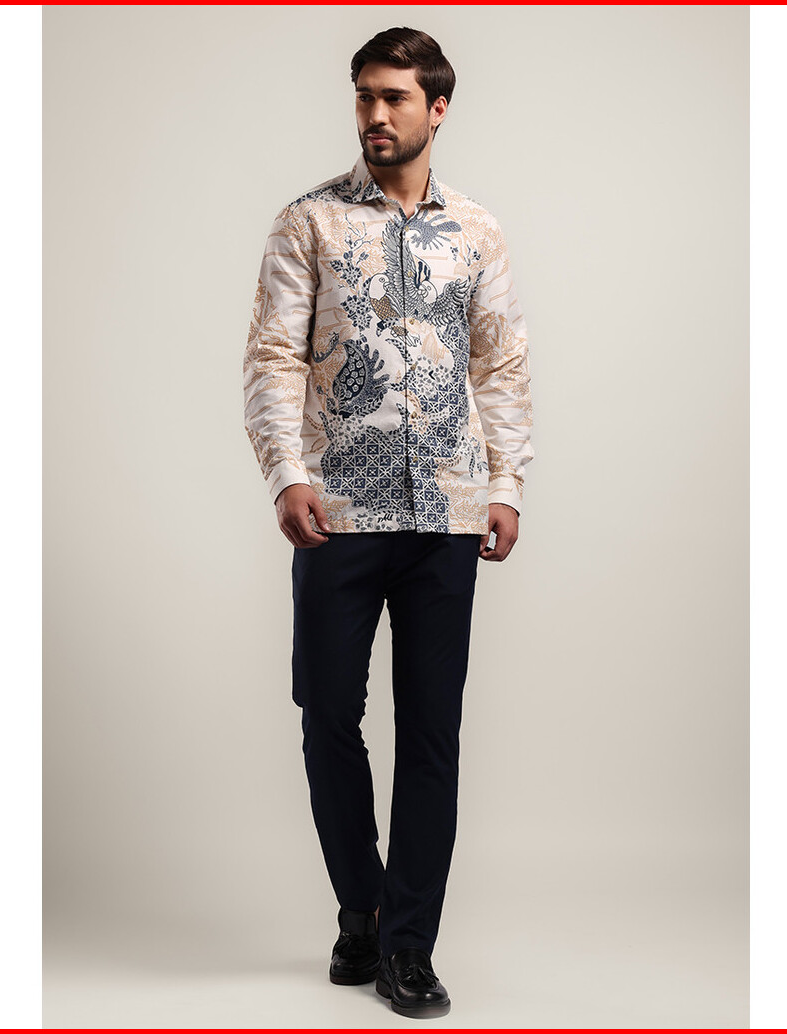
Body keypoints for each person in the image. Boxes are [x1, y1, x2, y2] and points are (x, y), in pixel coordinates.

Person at [242, 26, 534, 1020]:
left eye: (394, 97)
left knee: (432, 731)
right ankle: (359, 907)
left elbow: (499, 361)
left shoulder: (477, 232)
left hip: (447, 511)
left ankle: (407, 944)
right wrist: (286, 474)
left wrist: (506, 485)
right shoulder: (308, 222)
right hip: (336, 511)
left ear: (436, 109)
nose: (374, 113)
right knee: (326, 713)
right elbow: (273, 355)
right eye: (364, 95)